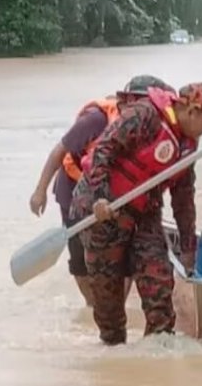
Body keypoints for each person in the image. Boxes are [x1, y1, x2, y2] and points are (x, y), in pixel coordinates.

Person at [70, 82, 202, 345]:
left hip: (145, 213)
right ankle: (114, 358)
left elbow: (184, 201)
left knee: (159, 284)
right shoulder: (145, 115)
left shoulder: (188, 147)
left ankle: (158, 359)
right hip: (104, 209)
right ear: (192, 110)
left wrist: (189, 251)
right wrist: (100, 197)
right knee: (108, 305)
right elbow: (104, 150)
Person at [28, 75, 174, 306]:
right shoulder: (95, 120)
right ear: (129, 102)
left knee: (122, 254)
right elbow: (59, 151)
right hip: (75, 188)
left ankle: (115, 307)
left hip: (115, 191)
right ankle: (92, 306)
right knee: (80, 257)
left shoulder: (153, 125)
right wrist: (40, 191)